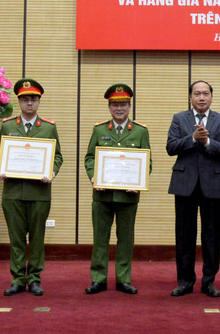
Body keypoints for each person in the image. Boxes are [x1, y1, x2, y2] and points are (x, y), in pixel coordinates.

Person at [167, 80, 220, 298]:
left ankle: (209, 282)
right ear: (190, 97)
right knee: (184, 236)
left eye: (206, 93)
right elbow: (170, 147)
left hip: (212, 185)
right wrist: (191, 138)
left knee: (211, 237)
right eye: (197, 94)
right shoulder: (179, 118)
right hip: (184, 184)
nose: (202, 97)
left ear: (212, 97)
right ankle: (185, 281)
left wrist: (207, 143)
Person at [84, 83, 152, 295]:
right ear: (109, 107)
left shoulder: (140, 132)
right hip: (102, 195)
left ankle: (123, 279)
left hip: (128, 197)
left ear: (130, 106)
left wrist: (138, 181)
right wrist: (94, 175)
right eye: (115, 104)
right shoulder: (99, 130)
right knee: (100, 238)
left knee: (125, 240)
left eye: (123, 104)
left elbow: (147, 162)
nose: (119, 108)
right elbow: (89, 158)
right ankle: (99, 278)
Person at [0, 78, 63, 296]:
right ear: (19, 101)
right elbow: (1, 154)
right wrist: (1, 168)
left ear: (39, 102)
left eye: (33, 99)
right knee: (16, 238)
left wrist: (51, 172)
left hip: (39, 193)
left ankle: (34, 278)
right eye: (25, 99)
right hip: (13, 192)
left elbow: (57, 157)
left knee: (37, 238)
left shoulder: (48, 127)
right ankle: (17, 278)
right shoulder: (8, 125)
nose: (29, 103)